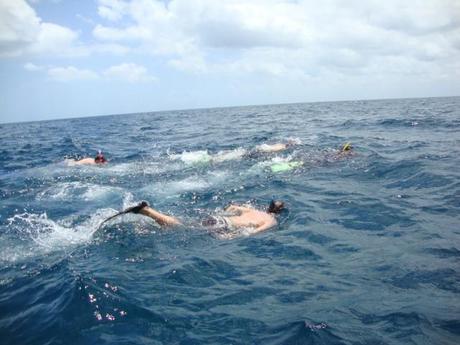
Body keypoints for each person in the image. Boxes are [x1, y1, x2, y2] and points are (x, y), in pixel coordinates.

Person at [101, 200, 285, 237]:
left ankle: (150, 217)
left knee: (184, 224)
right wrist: (232, 237)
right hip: (224, 226)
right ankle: (147, 211)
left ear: (268, 206)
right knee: (180, 228)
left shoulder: (252, 209)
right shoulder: (271, 221)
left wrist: (226, 210)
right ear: (278, 212)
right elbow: (254, 232)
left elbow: (232, 206)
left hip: (216, 218)